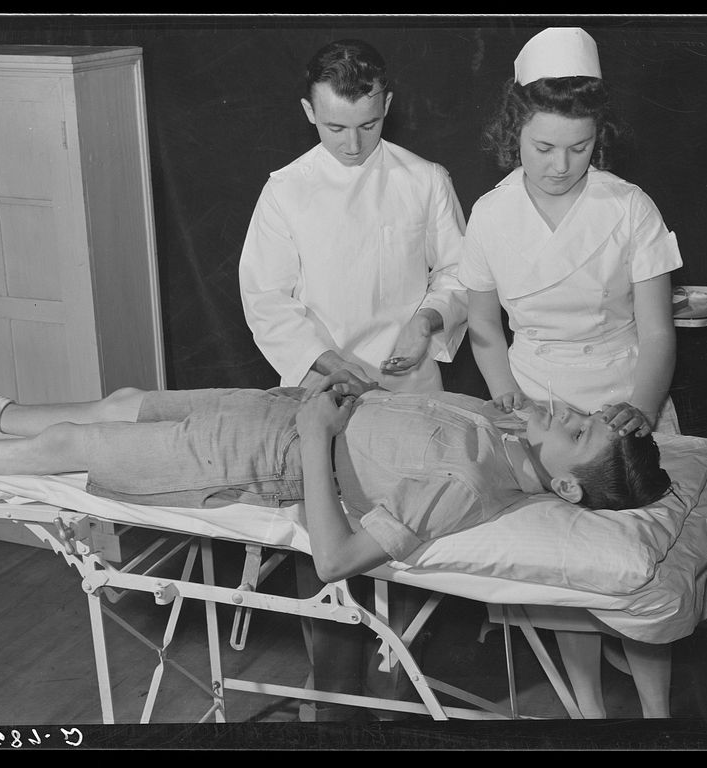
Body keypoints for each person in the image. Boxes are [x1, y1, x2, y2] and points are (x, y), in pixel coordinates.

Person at [0, 345, 671, 583]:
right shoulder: (500, 432)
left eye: (576, 431)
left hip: (256, 452)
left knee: (69, 452)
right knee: (120, 400)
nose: (564, 412)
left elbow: (335, 559)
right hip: (268, 406)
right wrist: (345, 388)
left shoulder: (471, 485)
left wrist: (313, 432)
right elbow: (389, 424)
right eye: (580, 412)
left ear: (565, 484)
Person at [237, 39, 468, 719]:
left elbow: (458, 272)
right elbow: (266, 297)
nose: (352, 142)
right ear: (308, 110)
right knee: (328, 533)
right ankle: (336, 694)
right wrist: (323, 359)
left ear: (387, 106)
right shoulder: (287, 189)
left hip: (410, 389)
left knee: (406, 538)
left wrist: (425, 321)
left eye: (367, 124)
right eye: (335, 126)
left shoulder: (424, 179)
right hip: (327, 387)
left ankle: (404, 688)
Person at [458, 27, 684, 717]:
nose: (560, 164)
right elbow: (486, 330)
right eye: (543, 147)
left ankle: (655, 710)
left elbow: (656, 331)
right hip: (540, 403)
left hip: (625, 392)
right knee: (562, 568)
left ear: (600, 138)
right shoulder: (491, 215)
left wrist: (639, 409)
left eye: (579, 148)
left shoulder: (630, 208)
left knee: (637, 573)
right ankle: (585, 702)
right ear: (514, 132)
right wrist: (510, 404)